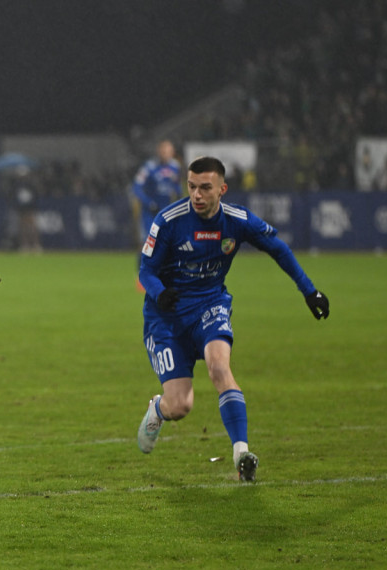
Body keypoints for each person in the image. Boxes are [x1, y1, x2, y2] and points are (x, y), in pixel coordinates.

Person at [136, 156, 329, 482]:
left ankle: (241, 455)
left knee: (219, 368)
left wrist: (310, 291)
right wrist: (159, 293)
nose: (196, 195)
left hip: (210, 305)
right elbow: (146, 271)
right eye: (191, 187)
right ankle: (158, 408)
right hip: (166, 317)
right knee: (180, 406)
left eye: (205, 188)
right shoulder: (169, 220)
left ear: (222, 189)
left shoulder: (238, 221)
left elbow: (278, 249)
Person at [132, 140, 182, 244]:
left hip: (166, 211)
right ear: (158, 151)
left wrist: (179, 200)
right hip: (150, 212)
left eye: (168, 151)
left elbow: (177, 186)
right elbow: (136, 187)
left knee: (166, 242)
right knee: (149, 242)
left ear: (172, 153)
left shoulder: (175, 166)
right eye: (163, 151)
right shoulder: (149, 167)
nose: (165, 154)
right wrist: (149, 203)